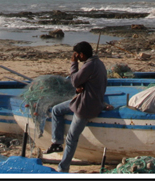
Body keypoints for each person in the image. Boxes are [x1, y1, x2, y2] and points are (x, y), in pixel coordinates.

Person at [45, 41, 108, 172]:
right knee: (57, 110)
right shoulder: (99, 63)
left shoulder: (89, 65)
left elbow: (74, 80)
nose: (77, 57)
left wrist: (74, 63)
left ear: (82, 54)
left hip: (86, 106)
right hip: (87, 99)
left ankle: (63, 168)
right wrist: (82, 87)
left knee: (71, 138)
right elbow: (89, 82)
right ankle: (56, 142)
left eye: (77, 55)